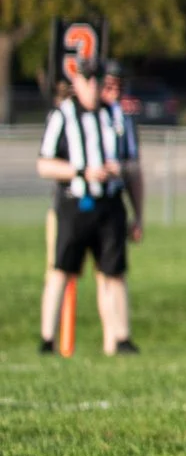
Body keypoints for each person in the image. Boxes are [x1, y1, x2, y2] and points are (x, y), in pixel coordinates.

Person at [37, 56, 143, 356]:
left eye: (98, 79)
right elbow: (44, 164)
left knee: (113, 272)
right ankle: (48, 340)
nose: (94, 86)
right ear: (77, 82)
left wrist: (119, 169)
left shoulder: (117, 116)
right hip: (74, 203)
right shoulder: (64, 115)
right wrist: (82, 171)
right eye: (88, 79)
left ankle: (121, 339)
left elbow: (134, 165)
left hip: (109, 204)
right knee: (61, 270)